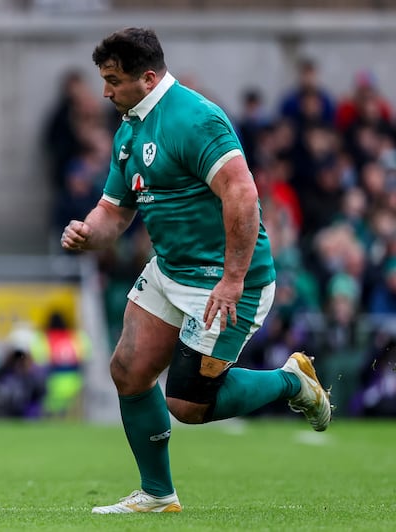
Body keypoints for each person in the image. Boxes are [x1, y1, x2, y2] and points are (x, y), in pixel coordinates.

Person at [60, 27, 332, 514]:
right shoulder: (130, 127)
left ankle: (293, 381)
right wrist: (87, 232)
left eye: (112, 80)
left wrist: (231, 279)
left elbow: (243, 196)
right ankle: (158, 495)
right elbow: (115, 212)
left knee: (188, 406)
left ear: (147, 78)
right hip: (171, 270)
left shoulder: (196, 119)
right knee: (128, 370)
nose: (105, 91)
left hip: (229, 280)